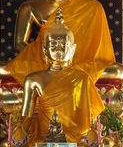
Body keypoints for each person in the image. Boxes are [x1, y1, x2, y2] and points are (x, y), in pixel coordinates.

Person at [21, 10, 104, 145]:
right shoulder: (33, 80)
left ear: (72, 49)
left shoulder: (82, 78)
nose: (58, 50)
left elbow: (89, 118)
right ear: (44, 49)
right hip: (44, 138)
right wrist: (19, 134)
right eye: (53, 46)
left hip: (76, 138)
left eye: (63, 46)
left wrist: (92, 133)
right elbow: (26, 115)